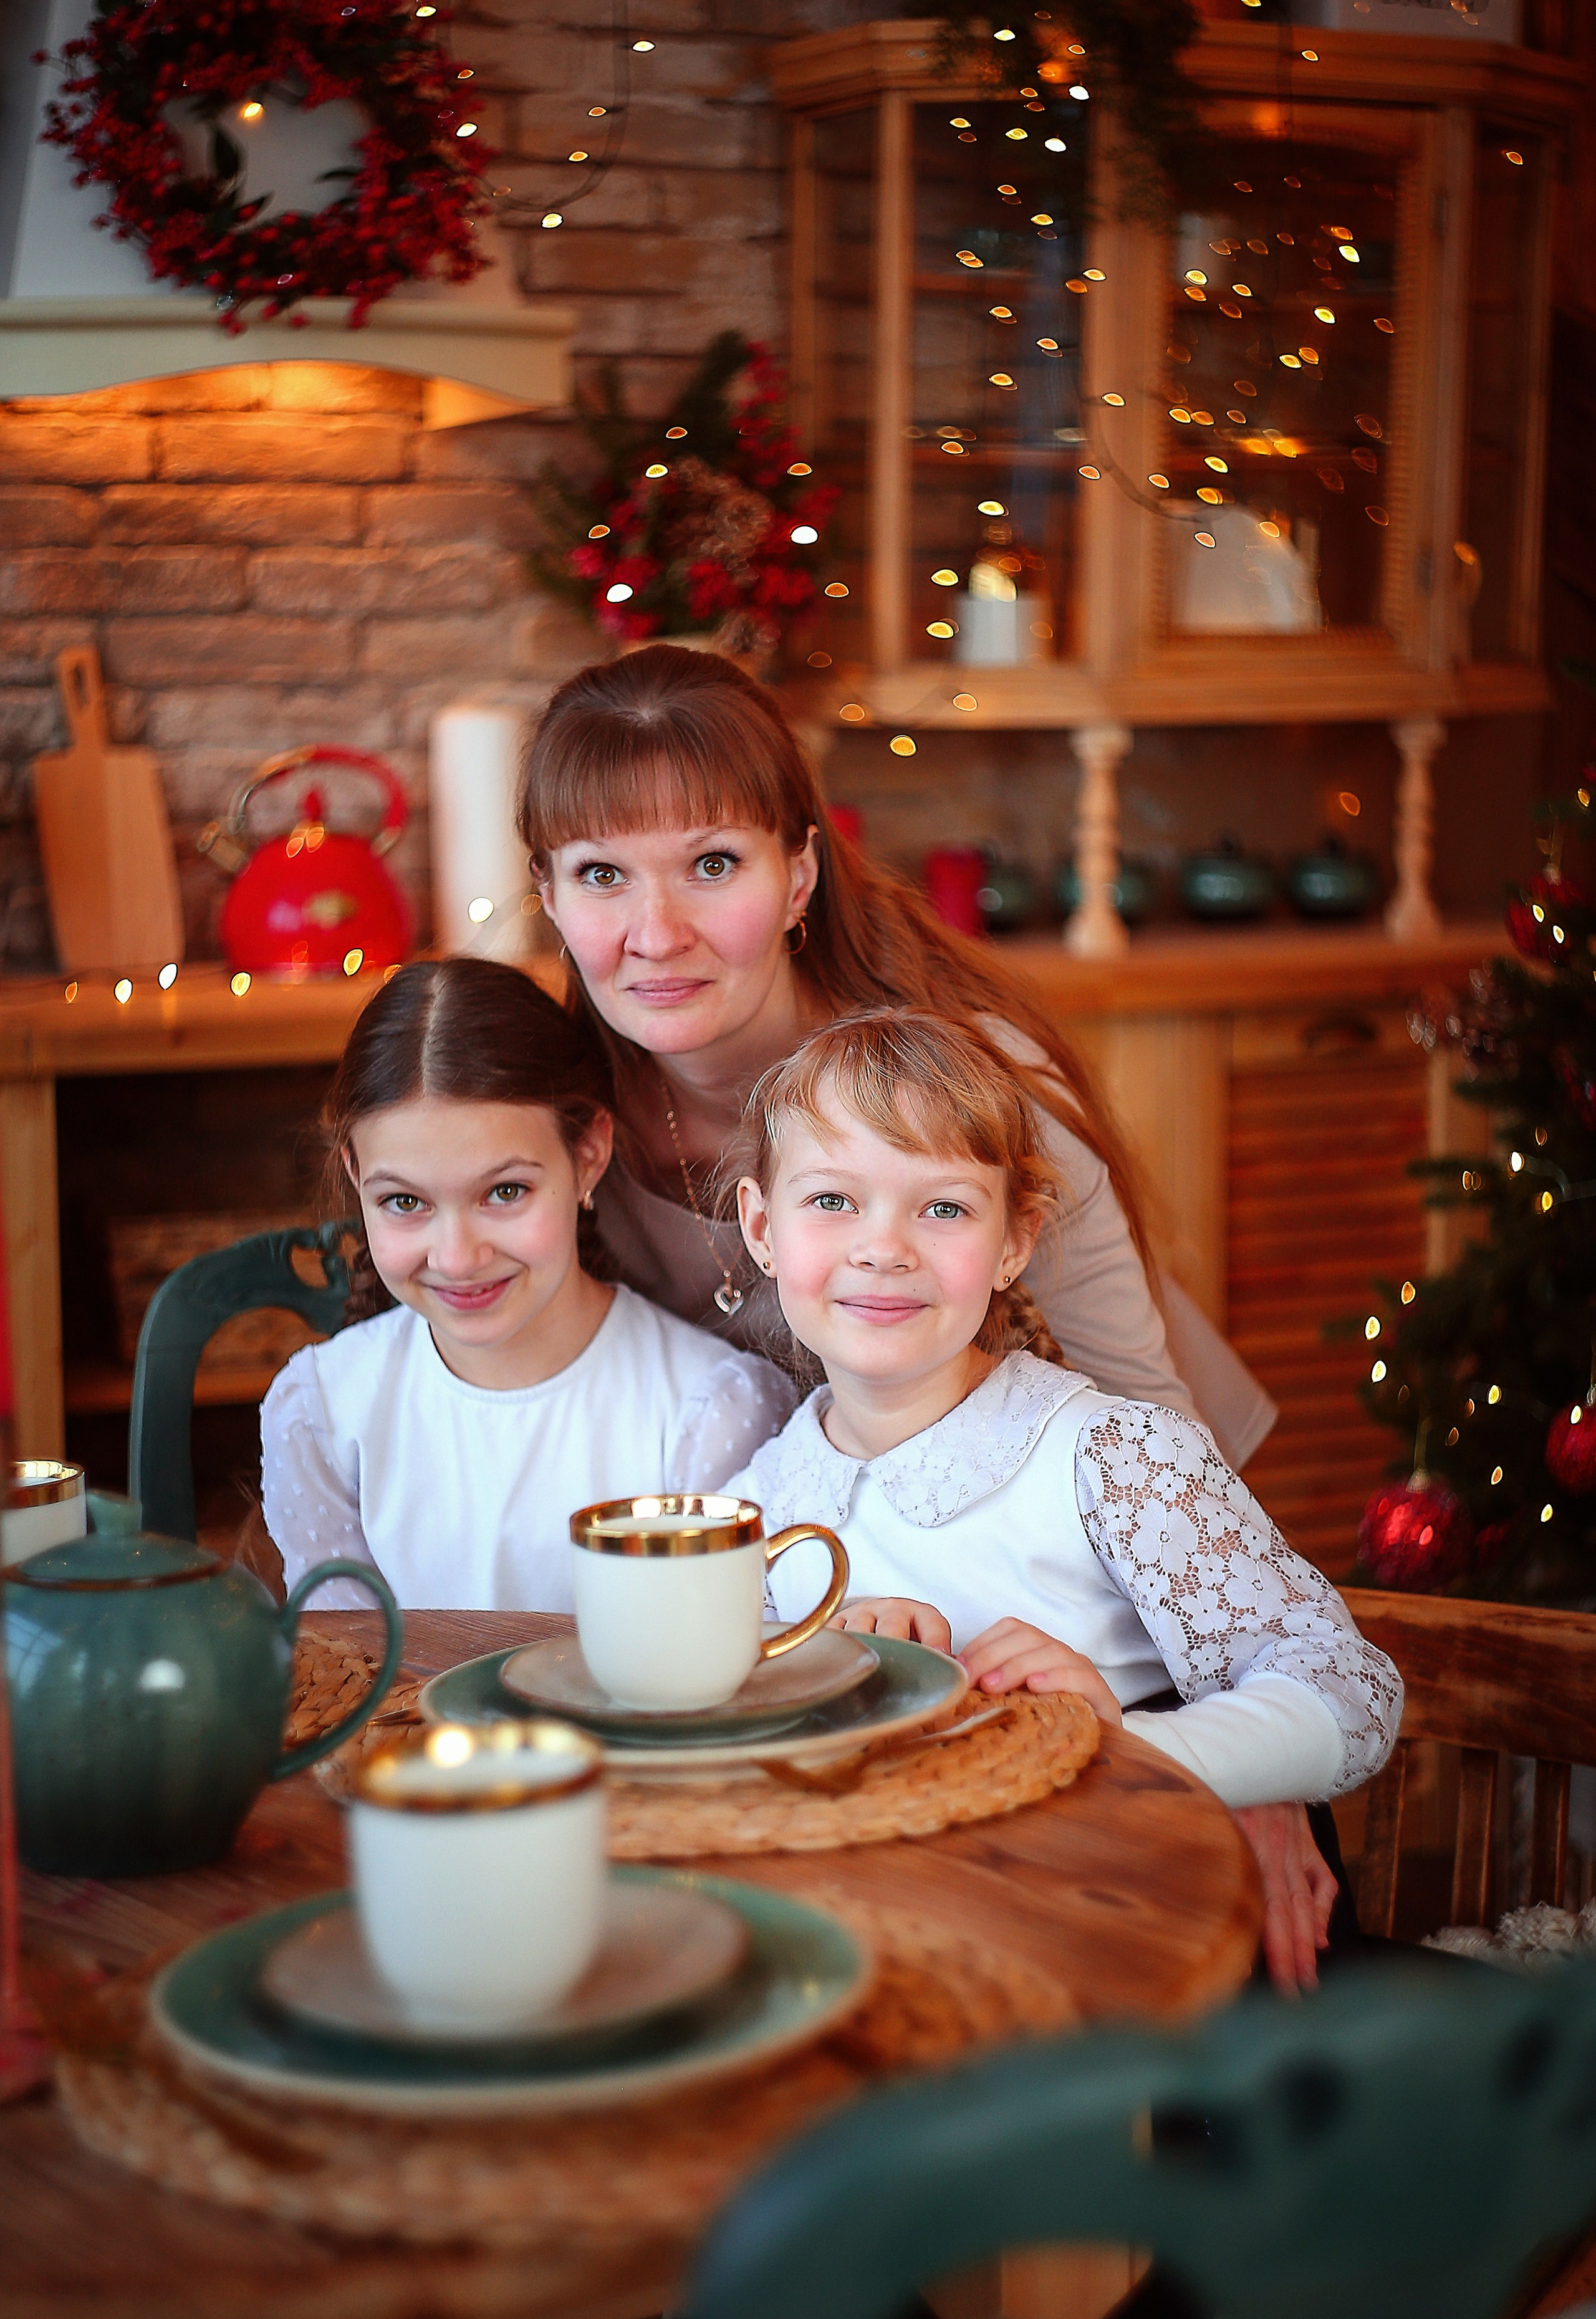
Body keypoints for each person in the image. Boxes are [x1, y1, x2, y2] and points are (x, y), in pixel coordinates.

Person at [519, 641, 1335, 1983]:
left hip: (1112, 1572)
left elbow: (1146, 1421)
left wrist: (1242, 1765)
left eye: (709, 865)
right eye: (603, 874)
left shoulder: (966, 1076)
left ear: (797, 874)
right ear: (550, 892)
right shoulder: (572, 1127)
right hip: (885, 1611)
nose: (652, 933)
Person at [719, 1010, 1403, 1906]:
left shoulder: (1114, 1460)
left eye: (944, 1207)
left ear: (1014, 1242)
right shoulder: (750, 1512)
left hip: (1117, 1918)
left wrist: (1113, 1744)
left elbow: (1351, 1690)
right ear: (763, 1228)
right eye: (833, 1201)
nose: (882, 1248)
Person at [259, 958, 794, 1608]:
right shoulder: (320, 1409)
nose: (457, 1258)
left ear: (588, 1156)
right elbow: (342, 1671)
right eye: (405, 1203)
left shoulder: (709, 1412)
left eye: (505, 1192)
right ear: (354, 1169)